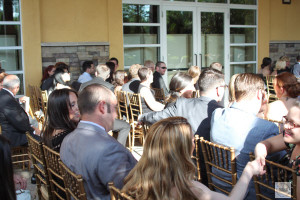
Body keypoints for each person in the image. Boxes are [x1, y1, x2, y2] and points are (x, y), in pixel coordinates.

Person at [122, 117, 264, 200]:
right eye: (191, 140)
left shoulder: (135, 180)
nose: (194, 144)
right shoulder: (189, 189)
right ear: (180, 150)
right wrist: (249, 170)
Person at [139, 68, 225, 185]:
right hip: (214, 175)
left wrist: (142, 117)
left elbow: (156, 117)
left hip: (182, 169)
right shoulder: (224, 114)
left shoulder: (182, 104)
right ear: (219, 90)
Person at [210, 73, 286, 199]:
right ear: (259, 94)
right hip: (250, 192)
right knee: (287, 179)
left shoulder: (217, 114)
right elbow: (280, 169)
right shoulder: (266, 127)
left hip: (219, 185)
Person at [60, 84, 137, 199]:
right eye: (114, 108)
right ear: (102, 107)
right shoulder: (110, 150)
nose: (116, 114)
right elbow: (132, 192)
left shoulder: (67, 139)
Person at [255, 100, 300, 199]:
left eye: (293, 123)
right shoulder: (292, 140)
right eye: (287, 120)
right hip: (284, 191)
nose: (286, 126)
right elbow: (265, 144)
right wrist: (260, 156)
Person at [79, 64, 131, 147]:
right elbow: (110, 107)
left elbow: (79, 103)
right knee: (125, 126)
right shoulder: (109, 87)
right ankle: (119, 150)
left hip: (84, 120)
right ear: (107, 76)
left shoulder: (83, 85)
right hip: (100, 121)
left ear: (96, 73)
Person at [0, 75, 40, 147]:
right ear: (17, 88)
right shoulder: (7, 100)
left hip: (12, 133)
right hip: (15, 137)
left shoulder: (3, 94)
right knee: (44, 143)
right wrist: (33, 130)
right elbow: (20, 123)